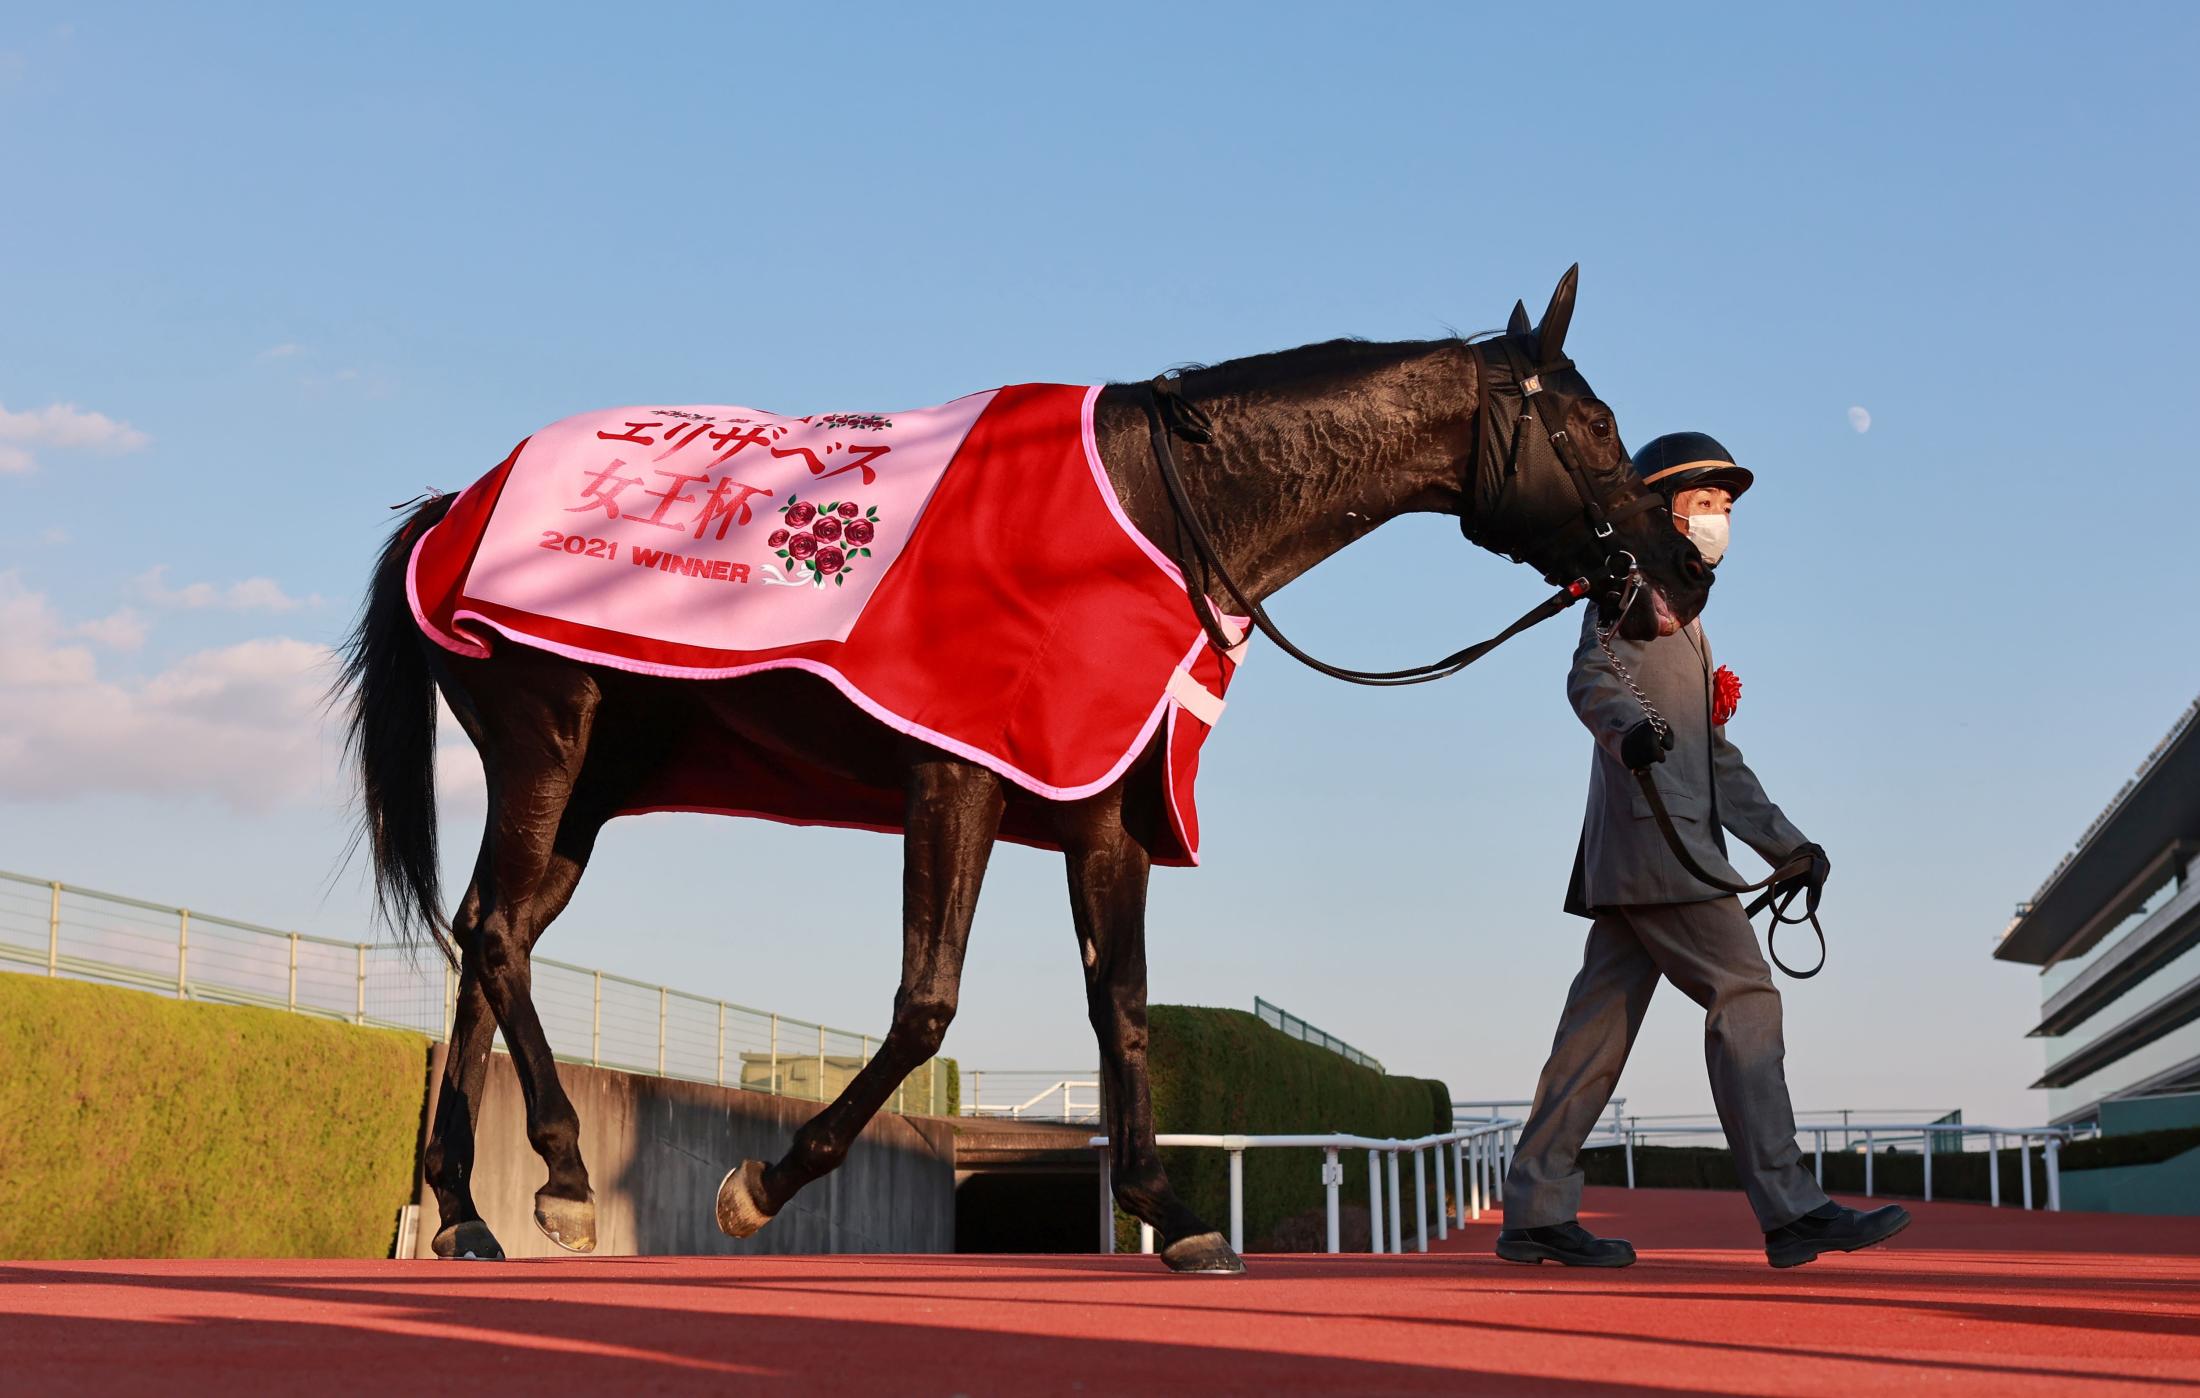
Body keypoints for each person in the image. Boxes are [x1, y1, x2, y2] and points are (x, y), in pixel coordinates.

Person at [1493, 431, 1911, 1271]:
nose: (1720, 521)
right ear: (1662, 514)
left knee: (1594, 1033)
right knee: (1745, 994)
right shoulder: (1631, 591)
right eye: (1706, 506)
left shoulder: (1686, 619)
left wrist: (1788, 847)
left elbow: (1715, 758)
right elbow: (1590, 677)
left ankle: (1536, 1209)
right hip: (1663, 846)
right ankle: (1792, 1208)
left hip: (1638, 856)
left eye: (1725, 508)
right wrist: (1629, 729)